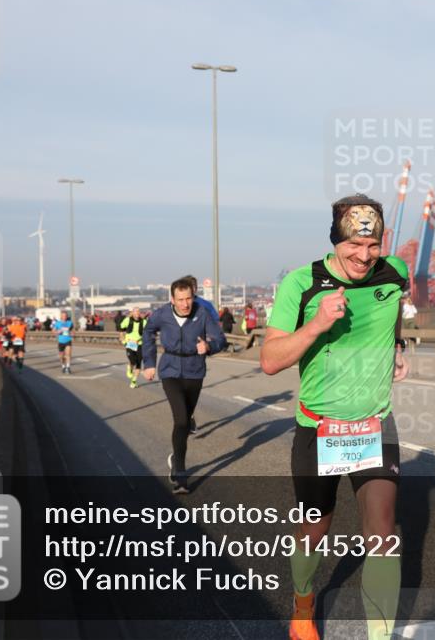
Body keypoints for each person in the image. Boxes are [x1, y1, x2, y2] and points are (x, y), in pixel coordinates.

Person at [260, 194, 408, 640]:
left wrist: (398, 346)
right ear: (334, 241)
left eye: (373, 246)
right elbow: (269, 360)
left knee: (382, 532)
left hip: (373, 423)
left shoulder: (395, 272)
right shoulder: (301, 284)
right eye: (353, 247)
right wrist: (316, 325)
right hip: (319, 428)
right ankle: (302, 606)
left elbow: (393, 308)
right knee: (315, 527)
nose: (364, 256)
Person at [143, 277, 226, 493]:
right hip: (170, 369)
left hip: (194, 370)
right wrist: (149, 362)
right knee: (180, 420)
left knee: (185, 421)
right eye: (180, 299)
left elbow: (220, 339)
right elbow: (148, 332)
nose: (185, 304)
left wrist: (208, 346)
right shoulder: (161, 314)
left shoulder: (202, 312)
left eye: (188, 298)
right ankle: (180, 473)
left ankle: (175, 459)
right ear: (172, 299)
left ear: (193, 296)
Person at [118, 307, 148, 388]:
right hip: (130, 344)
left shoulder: (144, 321)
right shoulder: (128, 320)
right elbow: (121, 329)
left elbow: (148, 332)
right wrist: (123, 341)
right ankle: (129, 368)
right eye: (136, 311)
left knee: (138, 363)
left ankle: (134, 381)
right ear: (133, 313)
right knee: (133, 361)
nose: (137, 313)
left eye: (139, 311)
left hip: (140, 344)